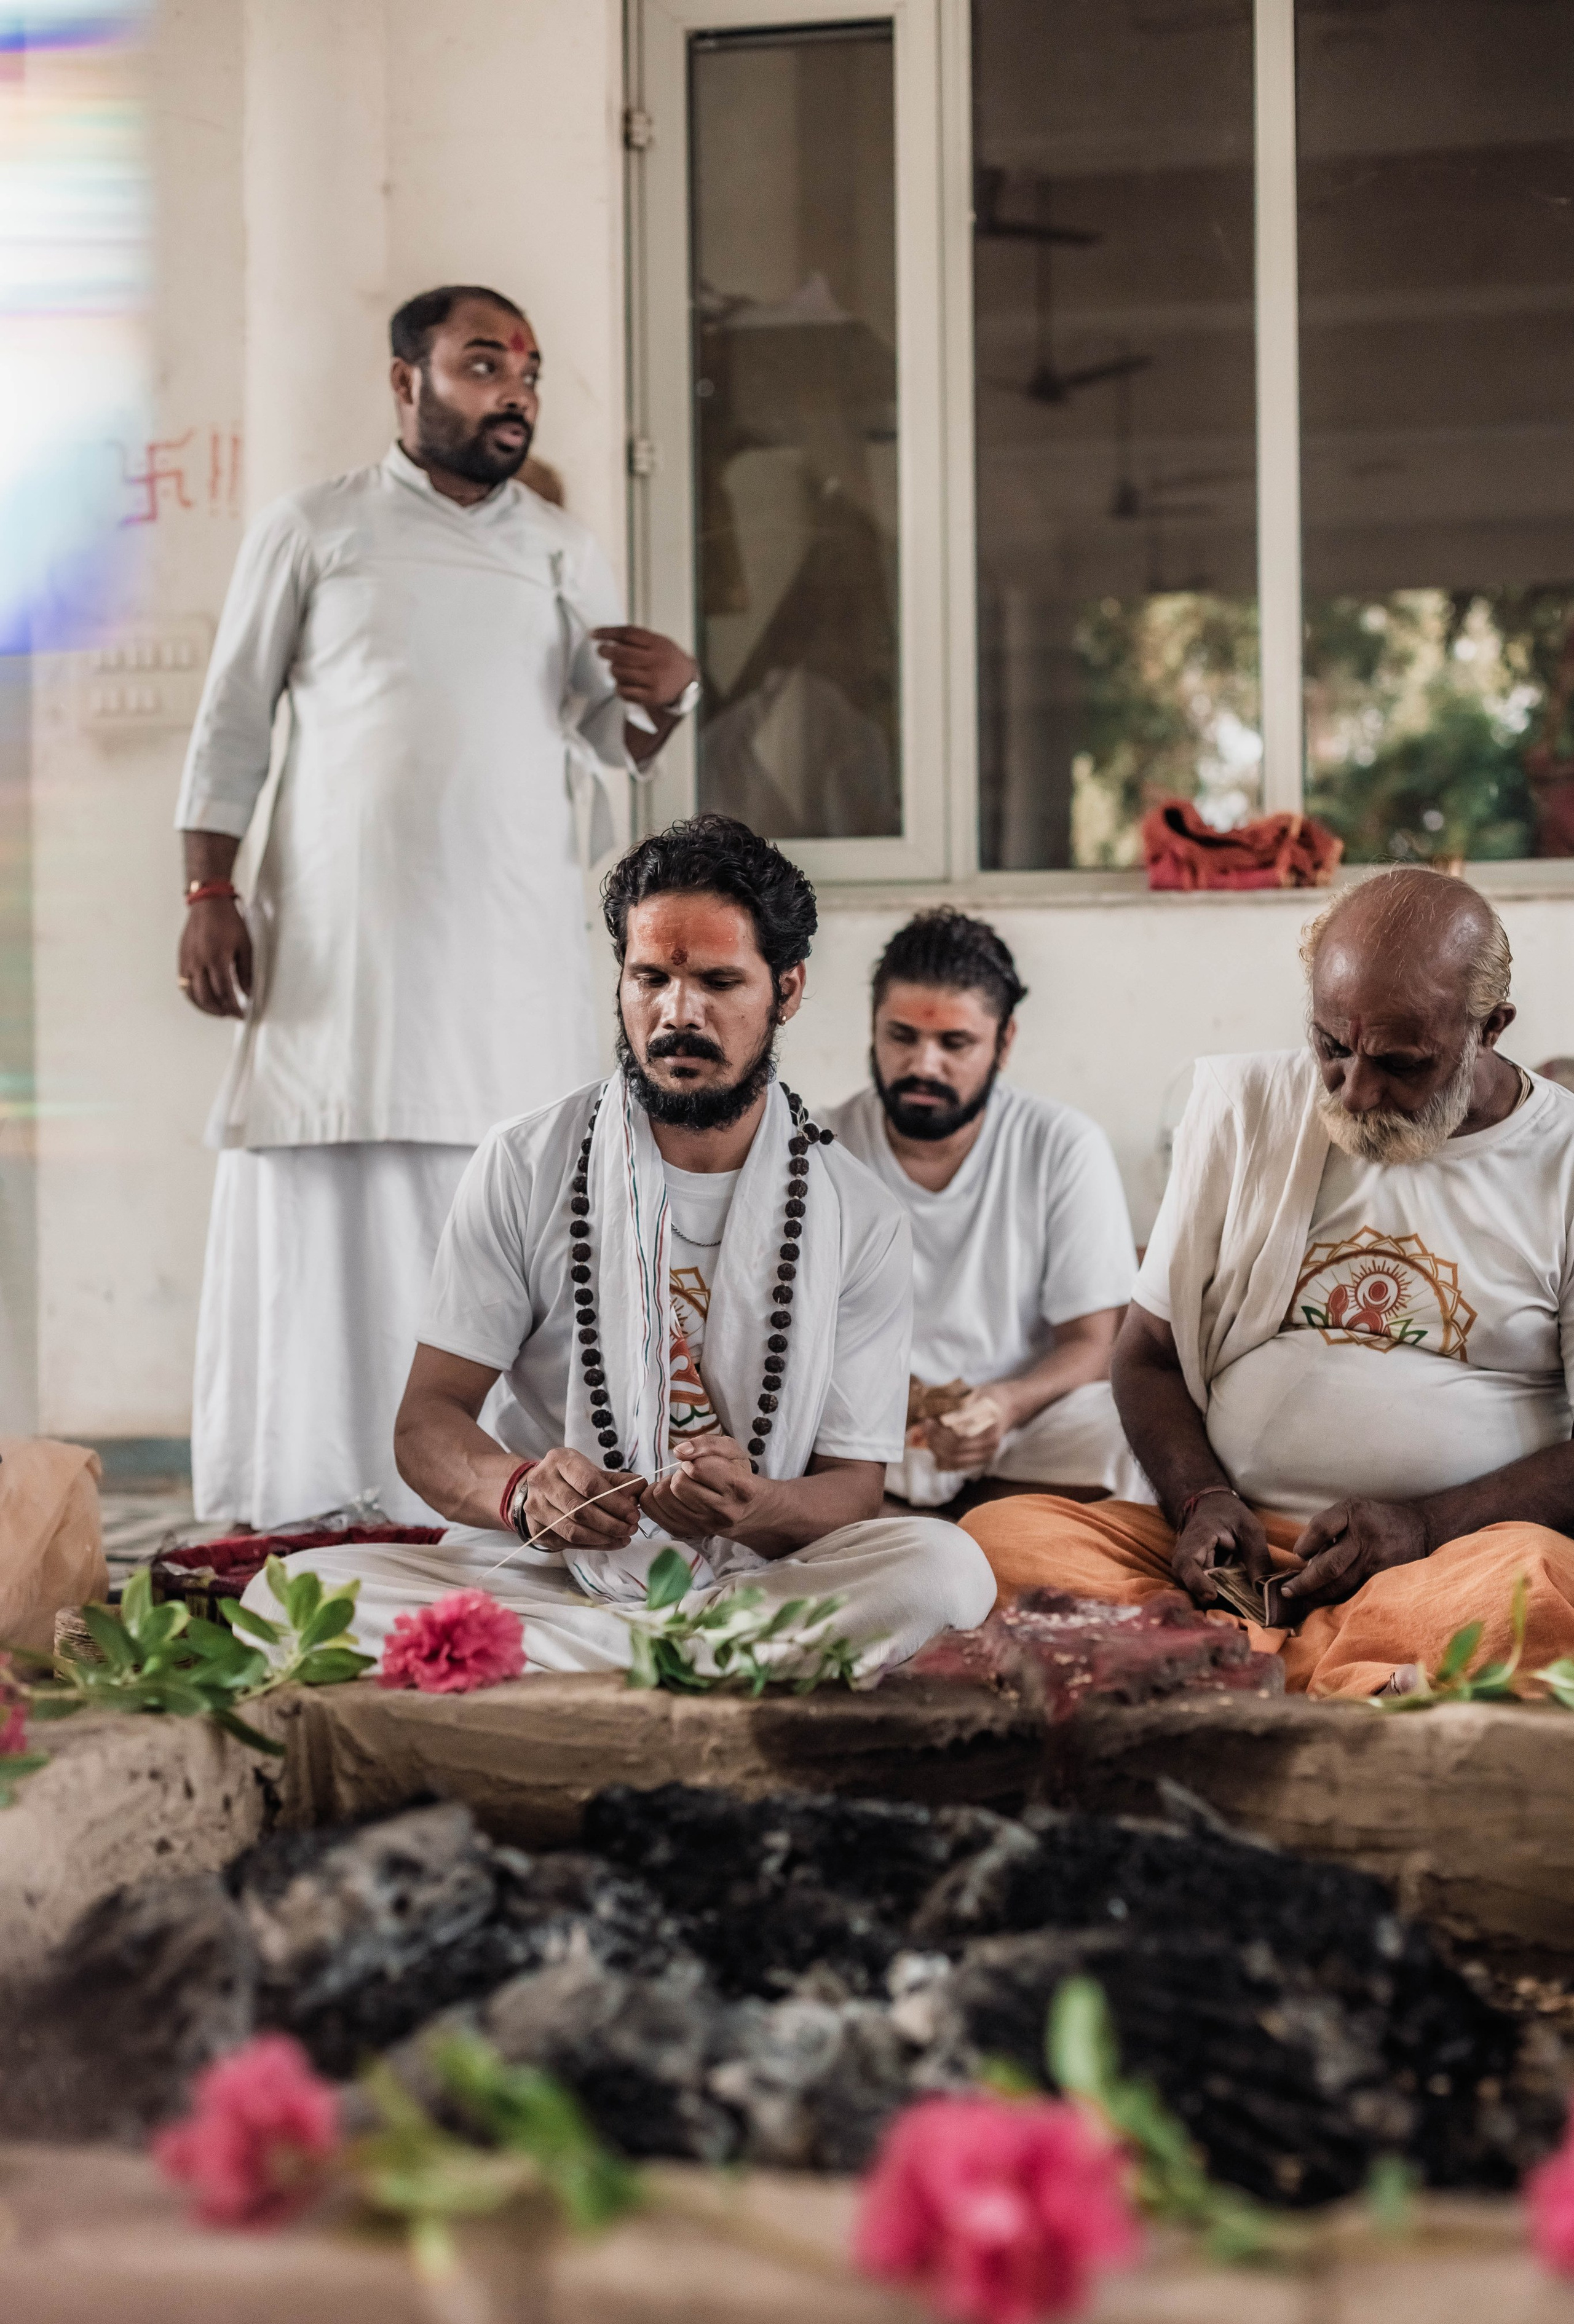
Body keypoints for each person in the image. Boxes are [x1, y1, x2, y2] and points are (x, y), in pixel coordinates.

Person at [175, 285, 700, 1529]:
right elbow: (232, 721)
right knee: (323, 1203)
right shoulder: (314, 528)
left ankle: (510, 1502)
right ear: (405, 382)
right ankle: (295, 1505)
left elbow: (601, 739)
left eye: (527, 369)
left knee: (508, 1200)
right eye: (482, 365)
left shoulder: (562, 548)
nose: (515, 389)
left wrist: (667, 701)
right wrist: (208, 888)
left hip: (507, 950)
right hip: (336, 963)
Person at [240, 818, 995, 1674]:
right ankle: (704, 1659)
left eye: (718, 981)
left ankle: (596, 1656)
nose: (678, 1014)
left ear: (787, 990)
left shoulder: (858, 1213)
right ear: (622, 981)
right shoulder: (525, 1163)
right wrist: (520, 1491)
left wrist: (754, 1506)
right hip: (545, 1572)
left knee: (947, 1568)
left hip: (757, 1576)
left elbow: (853, 1493)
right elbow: (428, 1423)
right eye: (651, 978)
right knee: (286, 1599)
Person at [962, 869, 1574, 1699]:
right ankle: (1320, 1665)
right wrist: (1200, 1501)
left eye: (1401, 1063)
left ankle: (1210, 1660)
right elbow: (1145, 1355)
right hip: (1226, 1552)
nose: (1356, 1091)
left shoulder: (1565, 1162)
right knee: (990, 1545)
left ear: (1490, 1029)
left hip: (1447, 1560)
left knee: (1540, 1593)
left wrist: (1427, 1525)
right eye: (1332, 1047)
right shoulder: (1247, 1109)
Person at [823, 909, 1144, 1508]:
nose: (924, 1065)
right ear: (872, 1029)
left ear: (1004, 1042)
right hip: (863, 1439)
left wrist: (1005, 1404)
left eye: (954, 1043)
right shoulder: (817, 1148)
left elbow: (1095, 1342)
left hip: (1019, 1433)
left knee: (1130, 1430)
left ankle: (968, 1521)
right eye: (902, 1036)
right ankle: (963, 1529)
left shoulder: (1061, 1144)